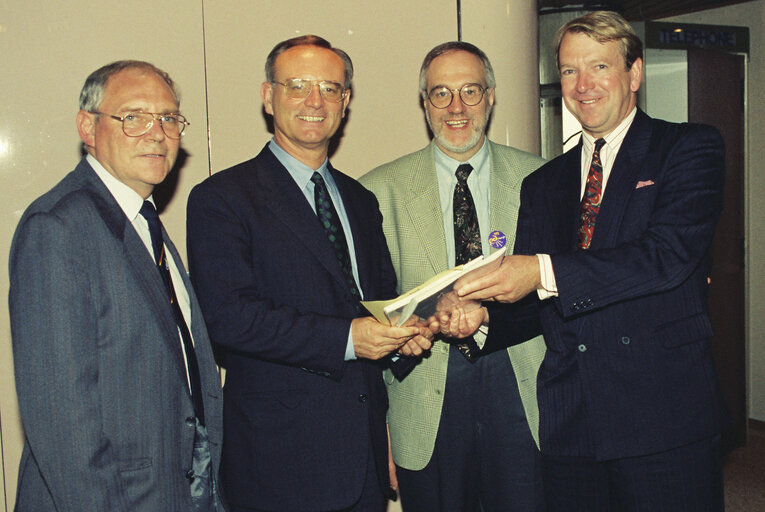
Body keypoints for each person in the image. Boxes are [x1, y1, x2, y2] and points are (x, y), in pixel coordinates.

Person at [454, 11, 727, 511]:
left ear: (635, 73)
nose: (583, 86)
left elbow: (664, 258)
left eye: (599, 67)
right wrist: (482, 316)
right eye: (570, 71)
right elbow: (542, 300)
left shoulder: (687, 148)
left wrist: (537, 269)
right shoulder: (544, 182)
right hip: (571, 421)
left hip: (661, 416)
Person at [186, 35, 431, 512]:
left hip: (362, 461)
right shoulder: (223, 198)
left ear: (346, 102)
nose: (315, 101)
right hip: (279, 463)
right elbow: (229, 317)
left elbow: (377, 305)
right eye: (297, 85)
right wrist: (348, 339)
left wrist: (407, 333)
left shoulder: (360, 200)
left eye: (330, 88)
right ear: (268, 95)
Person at [9, 60, 225, 511]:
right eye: (133, 117)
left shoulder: (145, 221)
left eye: (168, 118)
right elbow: (62, 423)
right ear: (88, 126)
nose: (157, 132)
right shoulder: (59, 228)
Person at [360, 42, 546, 511]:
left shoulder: (541, 179)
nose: (457, 108)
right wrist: (375, 429)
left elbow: (558, 289)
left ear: (491, 96)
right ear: (424, 103)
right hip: (424, 394)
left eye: (470, 91)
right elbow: (367, 315)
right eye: (441, 94)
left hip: (521, 390)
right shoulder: (377, 191)